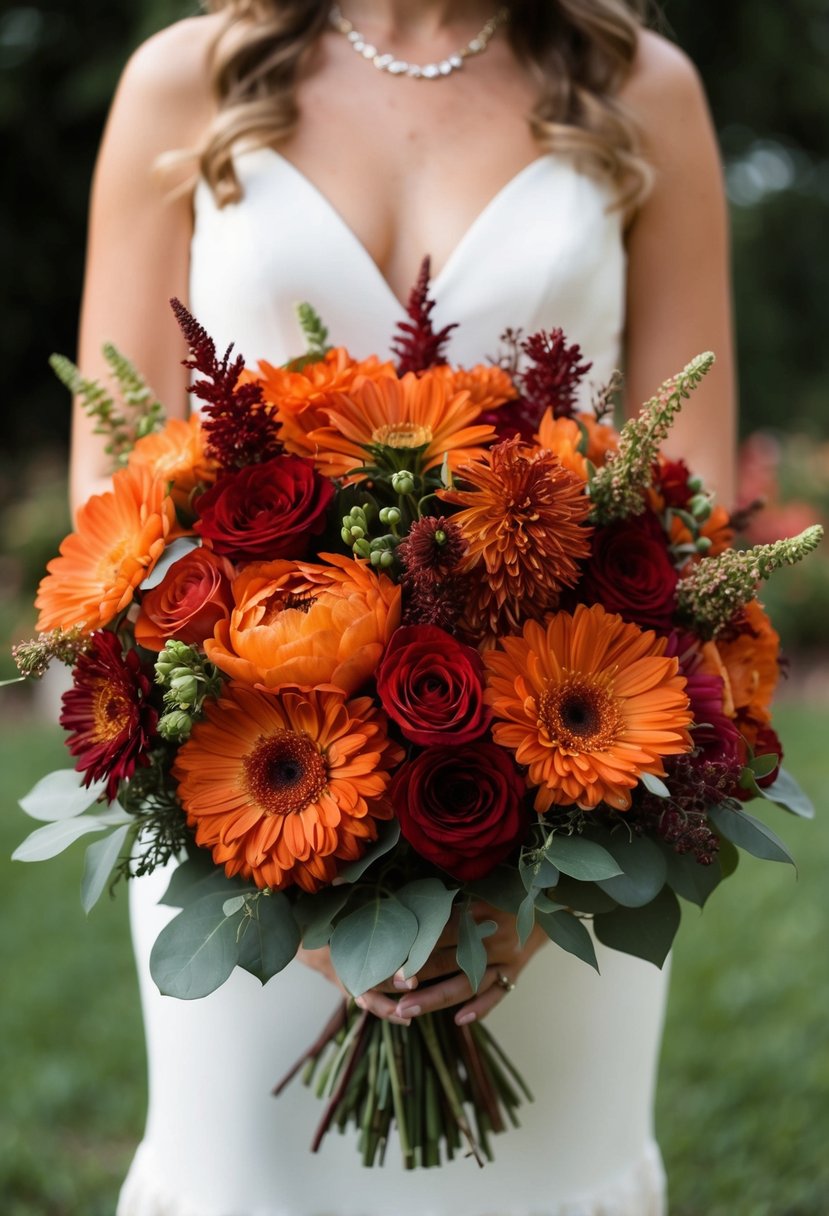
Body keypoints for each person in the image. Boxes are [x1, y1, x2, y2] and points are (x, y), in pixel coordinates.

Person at [71, 2, 736, 1213]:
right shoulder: (183, 81)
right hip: (241, 802)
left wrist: (538, 890)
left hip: (569, 808)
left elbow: (690, 524)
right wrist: (299, 890)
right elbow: (108, 503)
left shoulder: (647, 89)